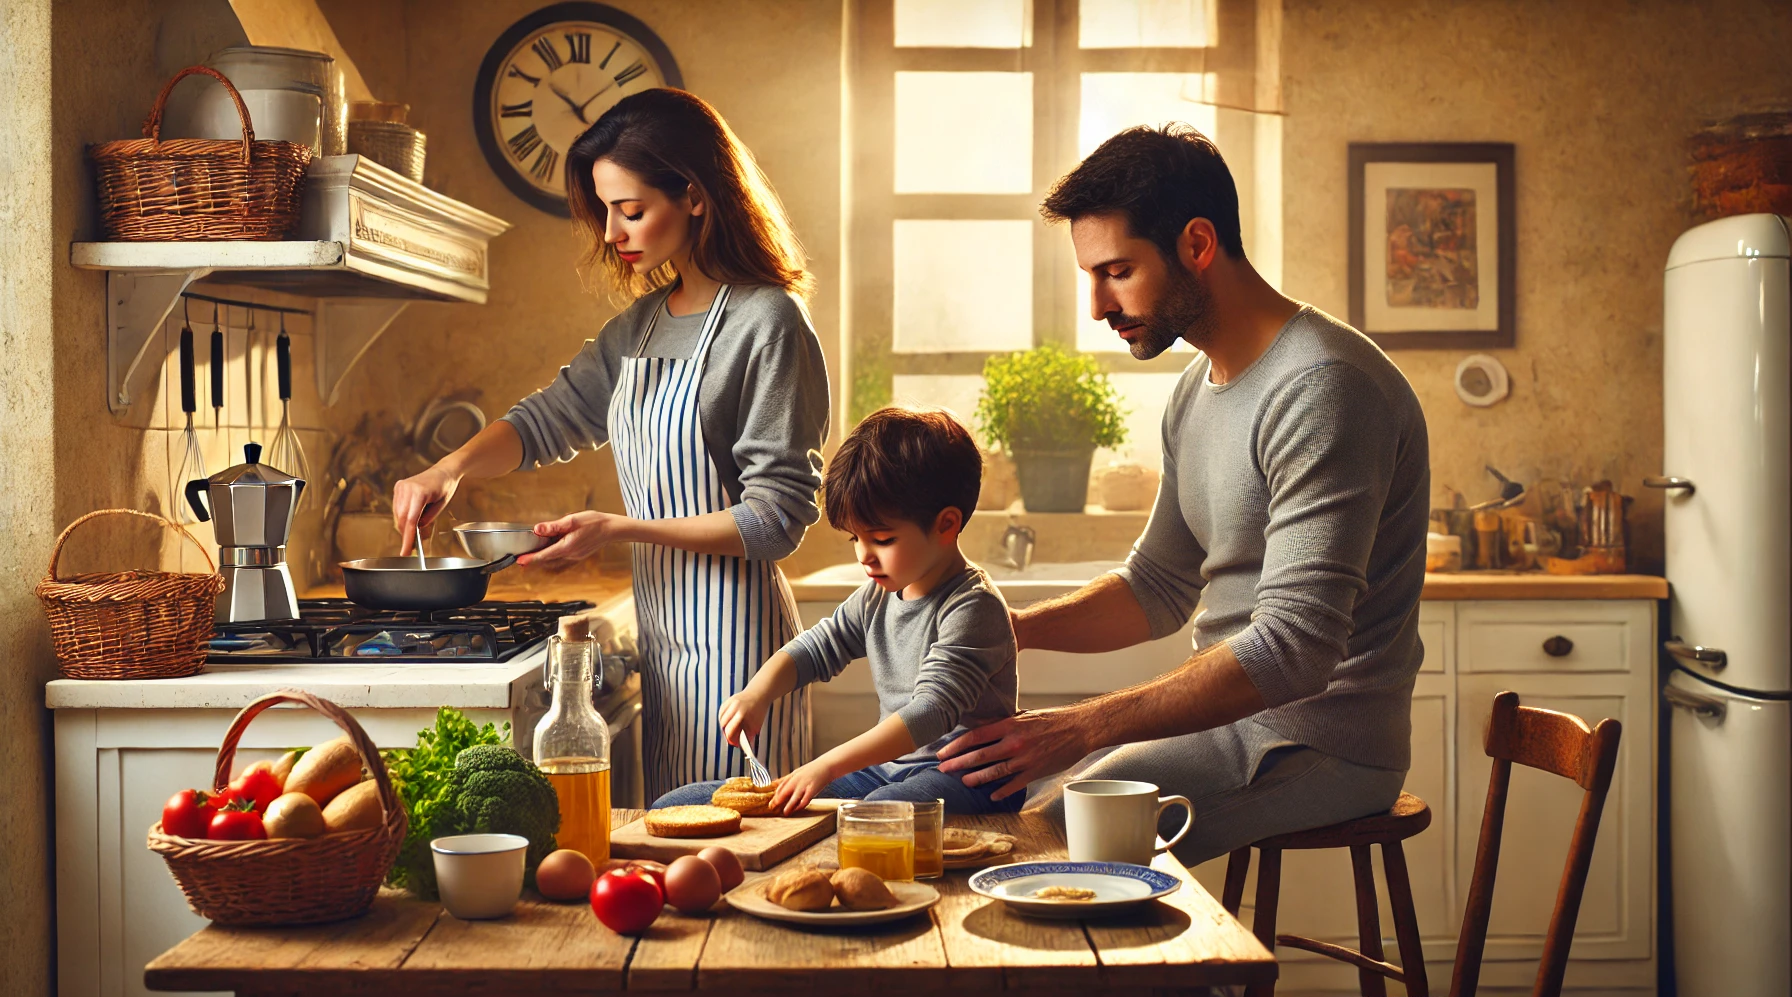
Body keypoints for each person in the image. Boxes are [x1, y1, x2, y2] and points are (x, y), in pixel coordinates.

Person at [937, 125, 1431, 865]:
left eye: (1117, 271)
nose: (1098, 305)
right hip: (1234, 727)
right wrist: (1011, 629)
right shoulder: (1194, 392)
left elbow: (1294, 650)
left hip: (1317, 741)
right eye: (1091, 276)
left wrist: (1081, 727)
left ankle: (1201, 987)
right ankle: (1188, 983)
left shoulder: (1324, 387)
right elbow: (1157, 587)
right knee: (1010, 812)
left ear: (1198, 244)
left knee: (1046, 840)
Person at [391, 88, 829, 801]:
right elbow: (547, 419)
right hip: (664, 633)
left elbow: (776, 521)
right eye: (605, 213)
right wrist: (451, 467)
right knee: (678, 834)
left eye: (631, 210)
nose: (615, 232)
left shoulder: (768, 322)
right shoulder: (642, 326)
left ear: (693, 195)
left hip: (740, 644)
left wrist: (616, 529)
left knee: (735, 848)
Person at [653, 406, 1024, 815]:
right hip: (889, 773)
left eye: (882, 539)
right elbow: (818, 647)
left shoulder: (973, 607)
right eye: (855, 540)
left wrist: (825, 766)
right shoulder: (877, 595)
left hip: (971, 779)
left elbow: (929, 713)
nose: (865, 556)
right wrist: (757, 693)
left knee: (876, 814)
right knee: (679, 805)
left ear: (945, 525)